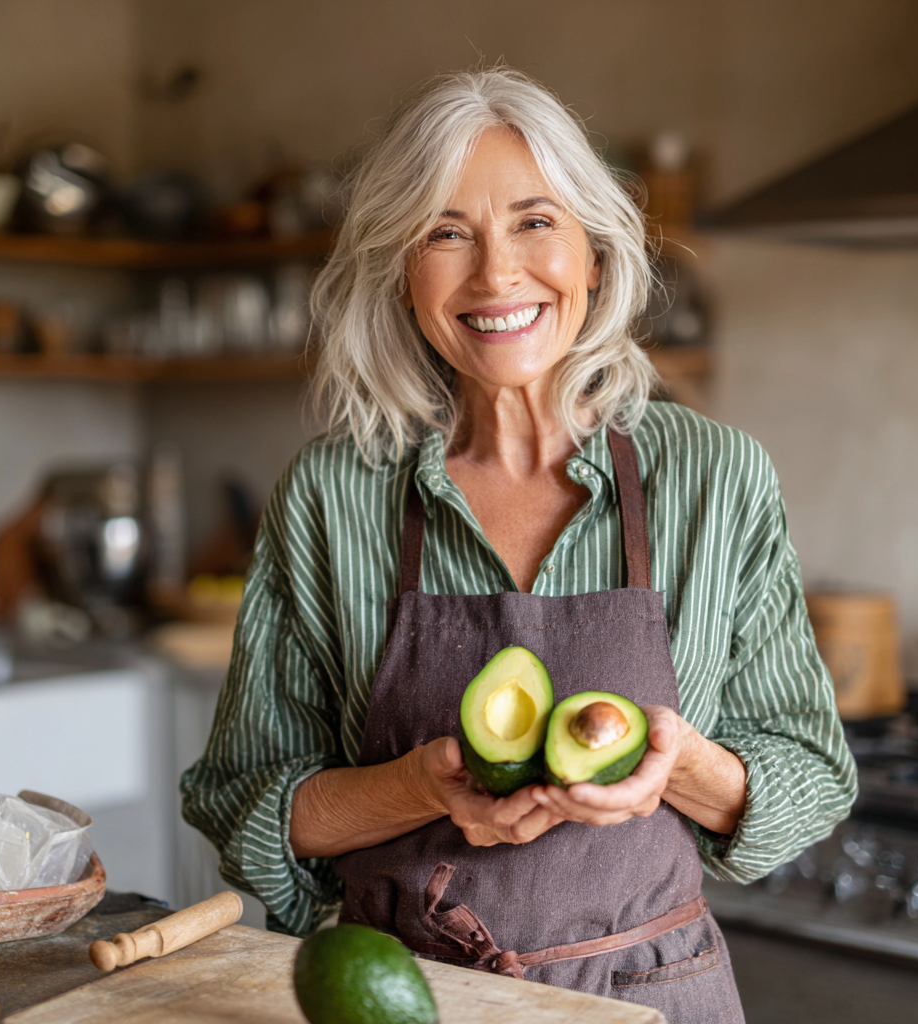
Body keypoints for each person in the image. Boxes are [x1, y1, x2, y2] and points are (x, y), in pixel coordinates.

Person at [181, 67, 856, 1022]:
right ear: (401, 272)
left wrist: (676, 766)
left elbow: (811, 774)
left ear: (594, 250)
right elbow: (243, 801)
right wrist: (421, 786)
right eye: (445, 232)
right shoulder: (333, 493)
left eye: (535, 222)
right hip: (402, 996)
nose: (496, 274)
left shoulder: (713, 476)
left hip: (653, 997)